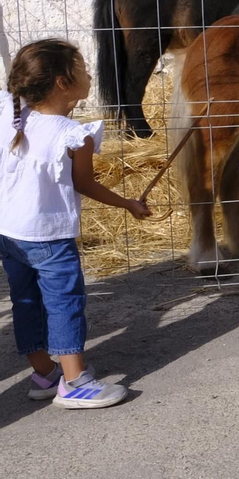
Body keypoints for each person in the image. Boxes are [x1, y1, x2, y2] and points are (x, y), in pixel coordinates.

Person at [1, 38, 150, 409]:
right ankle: (74, 382)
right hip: (50, 237)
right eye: (82, 70)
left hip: (9, 233)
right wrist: (128, 204)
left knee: (25, 301)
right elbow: (84, 184)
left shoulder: (11, 113)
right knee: (64, 303)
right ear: (62, 83)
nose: (90, 75)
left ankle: (44, 373)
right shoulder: (73, 135)